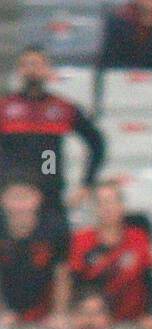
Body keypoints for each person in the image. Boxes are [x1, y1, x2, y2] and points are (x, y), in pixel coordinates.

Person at [0, 47, 105, 216]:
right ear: (19, 70)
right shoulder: (4, 108)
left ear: (48, 70)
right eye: (27, 64)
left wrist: (86, 184)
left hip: (50, 195)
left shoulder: (63, 108)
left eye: (37, 64)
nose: (32, 70)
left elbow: (97, 143)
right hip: (10, 196)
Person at [69, 180, 152, 329]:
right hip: (94, 325)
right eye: (101, 203)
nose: (107, 208)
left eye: (112, 202)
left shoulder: (139, 238)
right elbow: (75, 284)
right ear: (94, 208)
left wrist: (150, 314)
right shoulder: (81, 240)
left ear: (122, 206)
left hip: (134, 322)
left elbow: (149, 280)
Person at [0, 176, 71, 329]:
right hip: (6, 311)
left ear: (37, 198)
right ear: (2, 199)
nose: (19, 205)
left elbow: (61, 274)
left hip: (45, 311)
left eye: (24, 197)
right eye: (14, 198)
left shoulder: (55, 229)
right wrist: (2, 312)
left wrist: (59, 313)